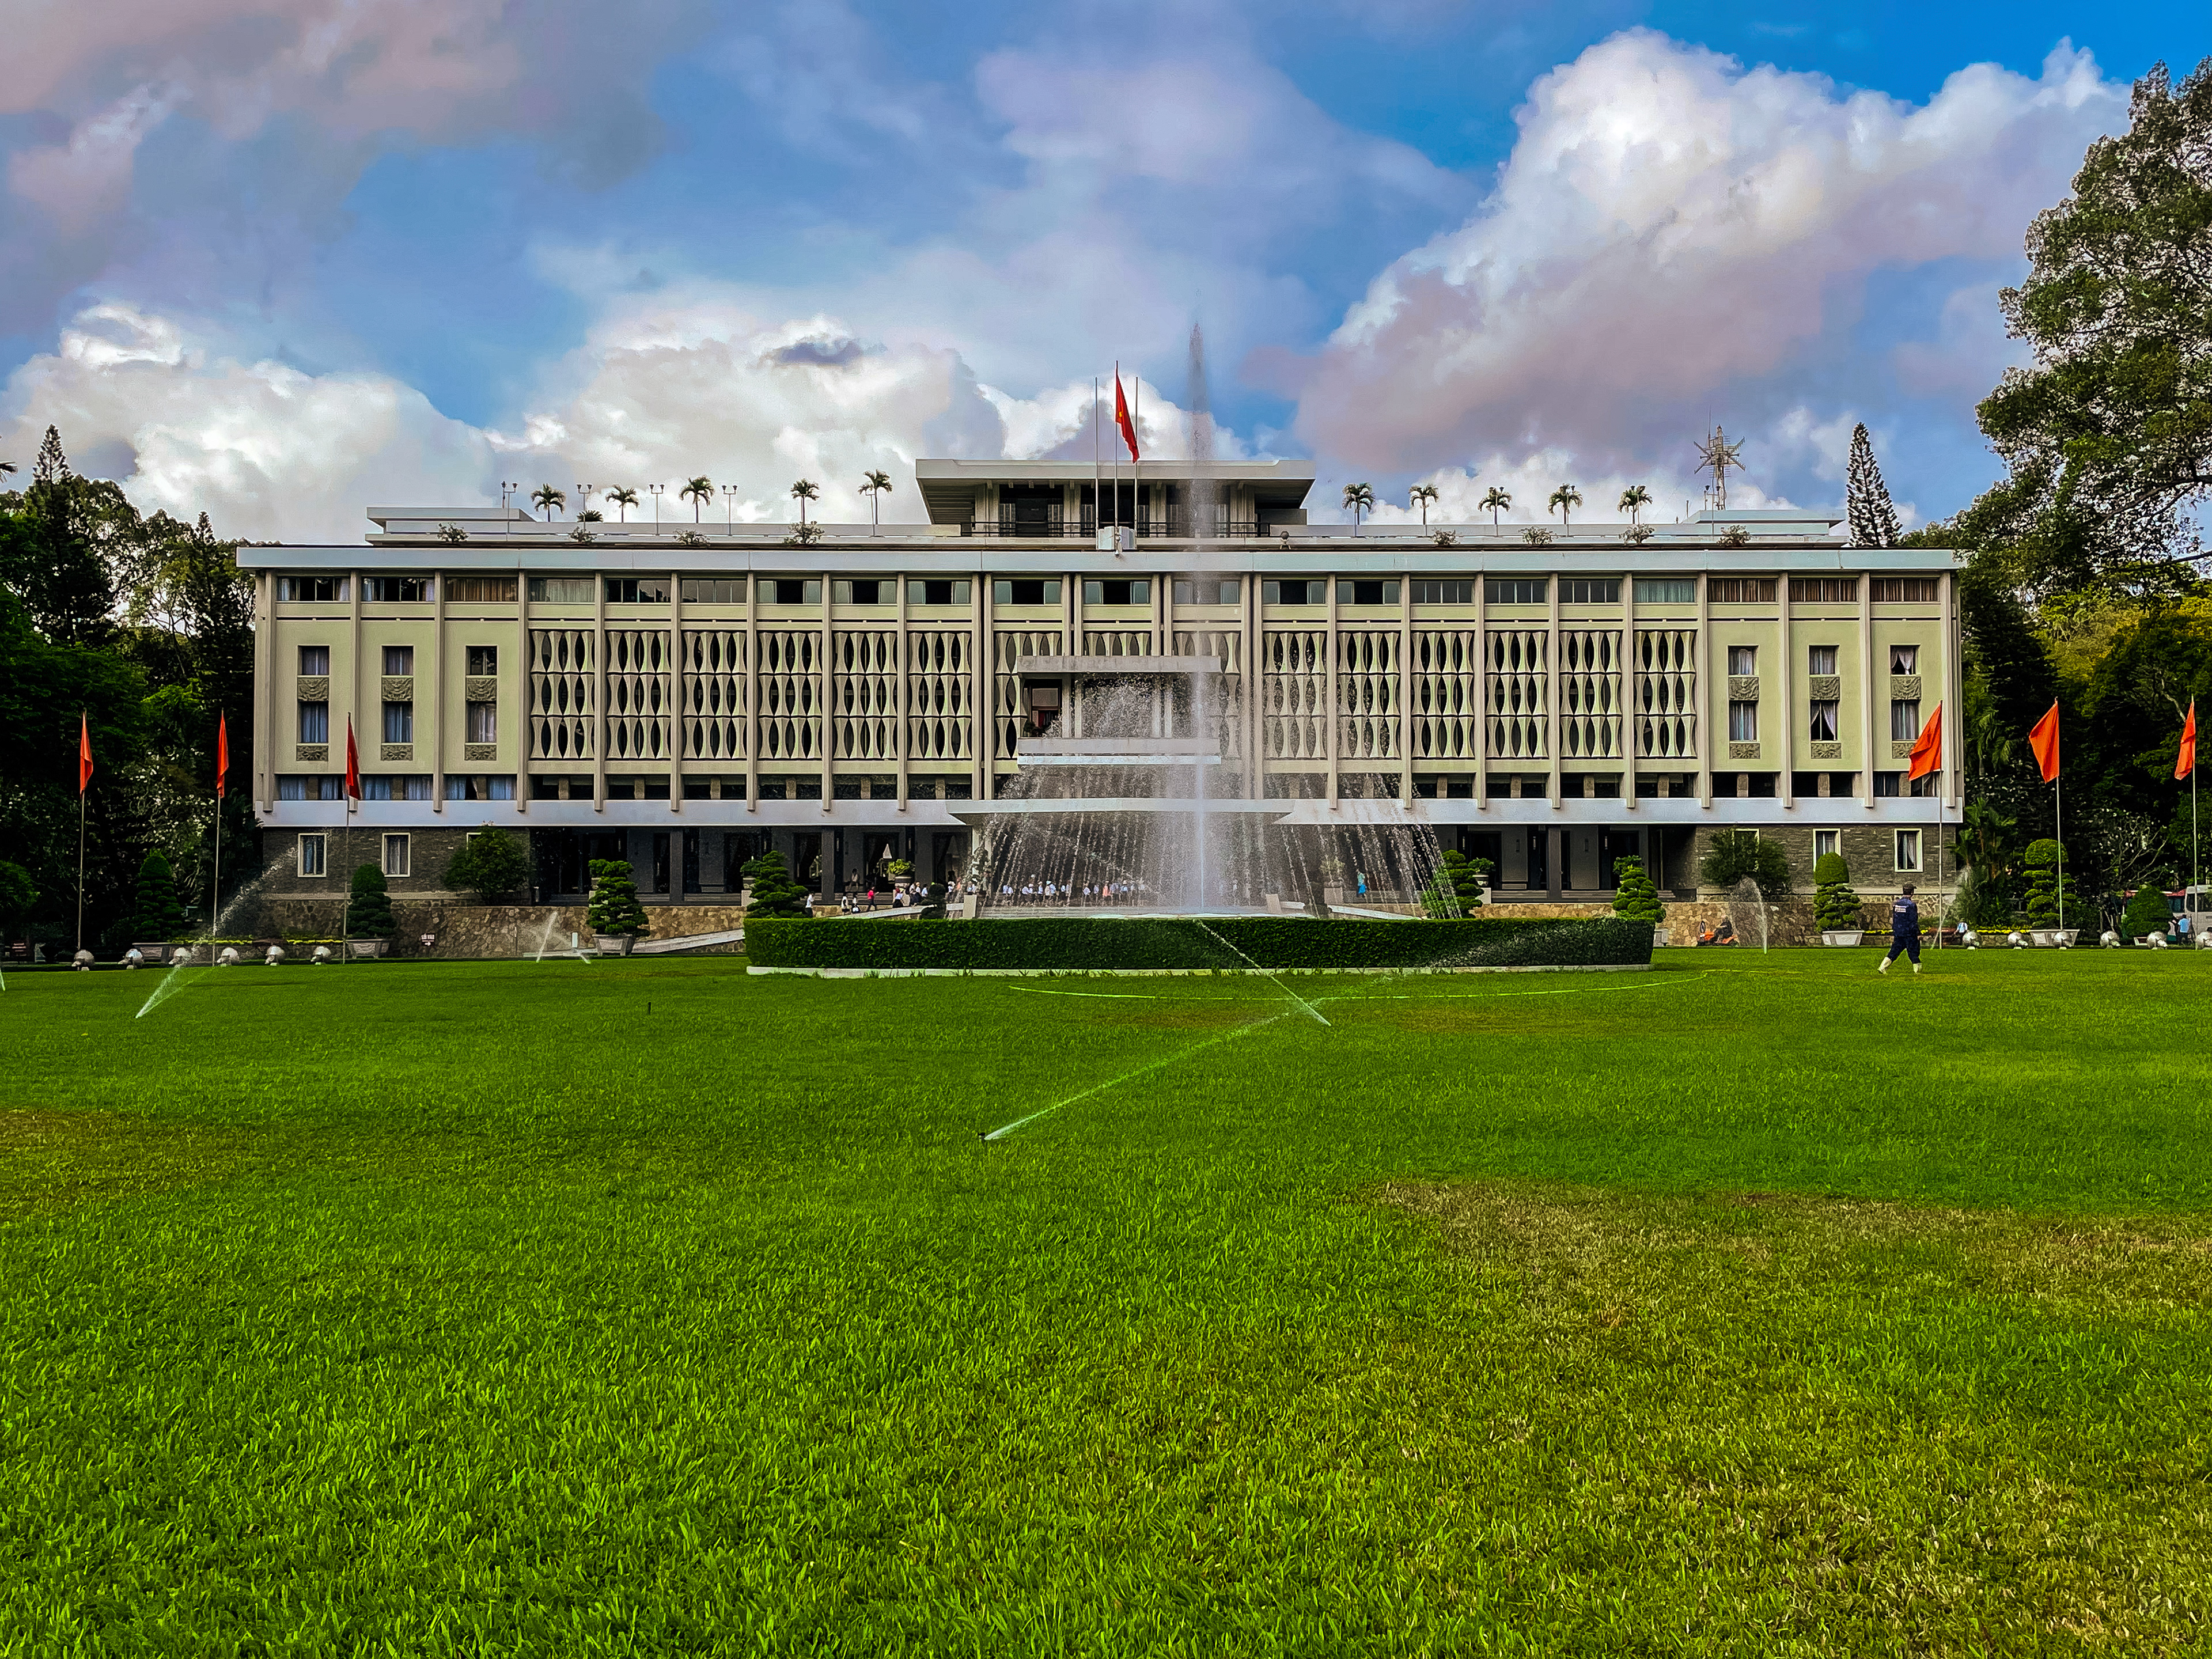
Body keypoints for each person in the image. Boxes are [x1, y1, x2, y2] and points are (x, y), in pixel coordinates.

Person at [1878, 884, 1922, 975]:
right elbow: (1913, 920)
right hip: (1909, 933)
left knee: (1895, 950)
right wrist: (1917, 932)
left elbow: (1895, 918)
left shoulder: (1896, 904)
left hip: (1898, 932)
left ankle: (1883, 967)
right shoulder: (1911, 905)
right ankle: (1917, 970)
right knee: (1913, 951)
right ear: (1912, 893)